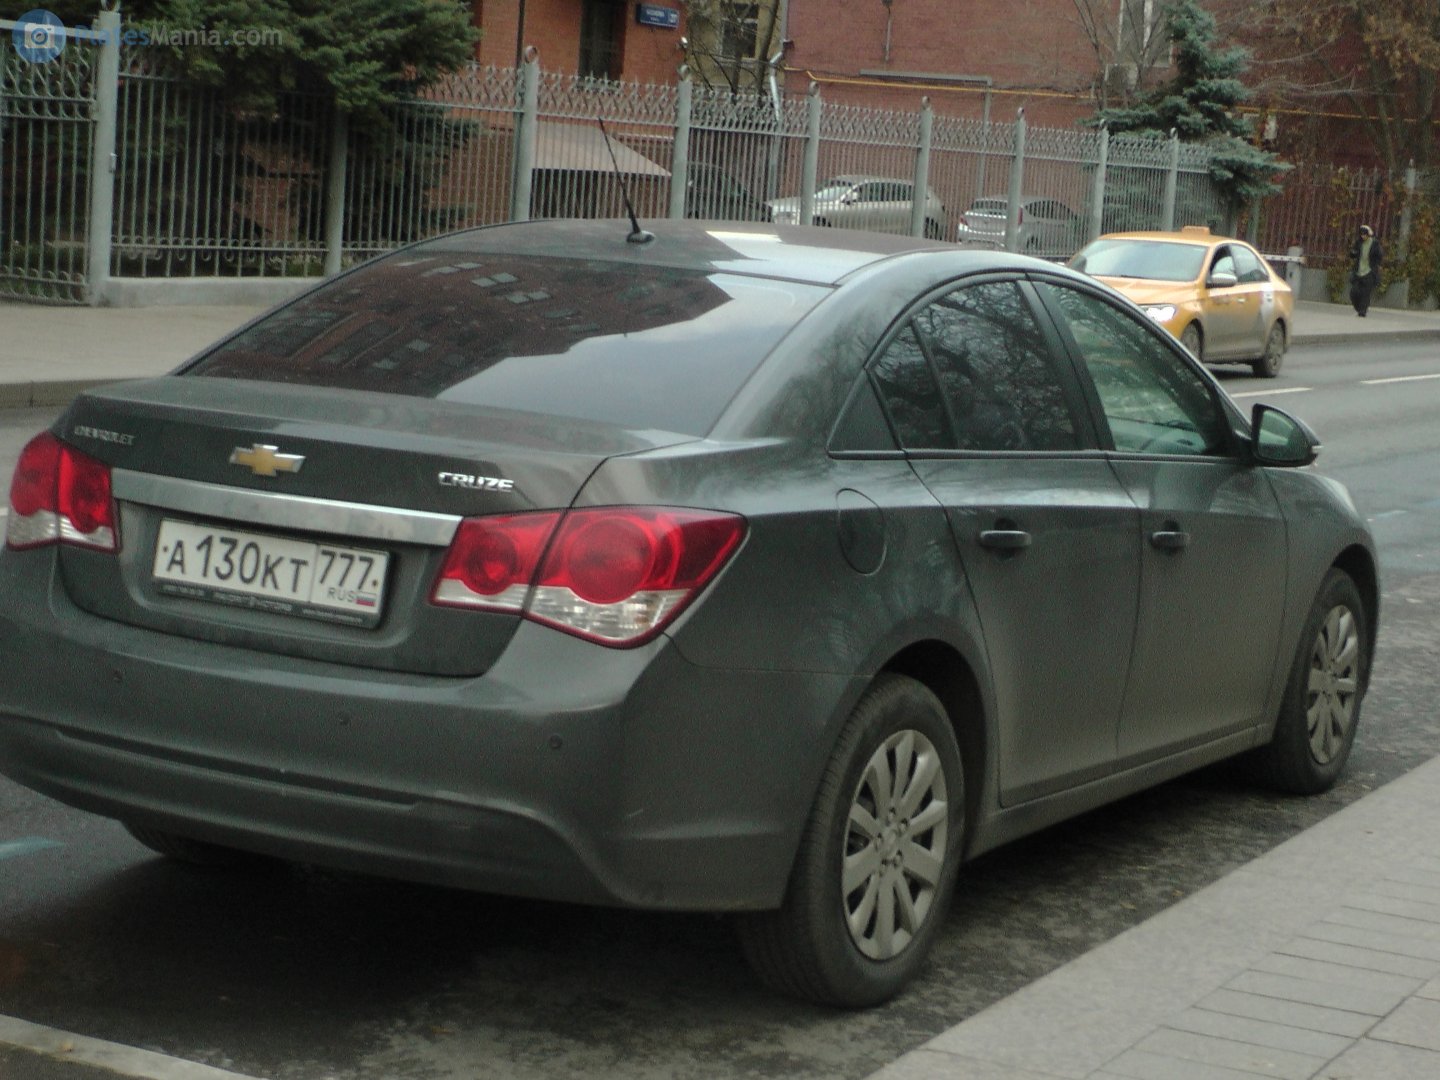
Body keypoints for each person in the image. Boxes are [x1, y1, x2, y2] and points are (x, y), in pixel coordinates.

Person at [1348, 224, 1384, 317]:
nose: (1363, 236)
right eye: (1361, 234)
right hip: (1359, 271)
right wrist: (1352, 253)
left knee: (1365, 293)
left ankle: (1363, 311)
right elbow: (1352, 254)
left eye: (1365, 234)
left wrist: (1376, 265)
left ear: (1368, 234)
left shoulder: (1374, 243)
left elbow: (1380, 256)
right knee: (1354, 292)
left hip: (1369, 272)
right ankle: (1358, 307)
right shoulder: (1359, 243)